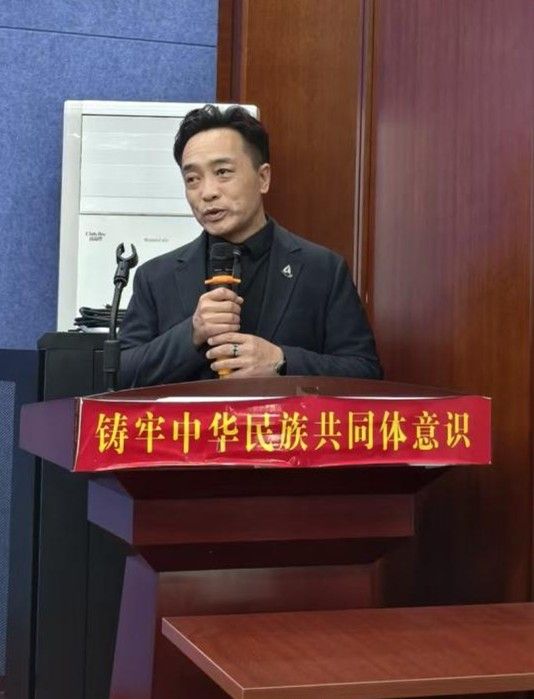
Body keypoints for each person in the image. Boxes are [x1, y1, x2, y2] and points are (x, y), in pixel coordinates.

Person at [118, 104, 382, 387]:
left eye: (223, 172)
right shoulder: (155, 277)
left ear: (263, 178)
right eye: (192, 179)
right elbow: (120, 375)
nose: (207, 193)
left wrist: (282, 361)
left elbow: (365, 372)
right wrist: (191, 333)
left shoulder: (323, 270)